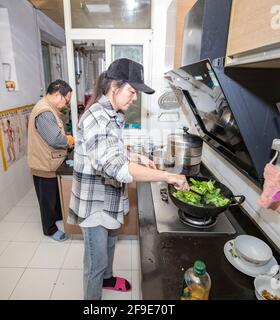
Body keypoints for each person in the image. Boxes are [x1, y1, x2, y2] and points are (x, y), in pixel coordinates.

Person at [68, 58, 189, 300]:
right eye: (132, 91)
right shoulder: (97, 118)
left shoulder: (112, 113)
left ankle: (108, 278)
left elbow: (112, 149)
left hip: (109, 197)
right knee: (95, 261)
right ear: (114, 87)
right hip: (94, 203)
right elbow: (116, 167)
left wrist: (135, 156)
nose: (135, 98)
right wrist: (168, 175)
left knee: (111, 243)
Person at [27, 80, 74, 242]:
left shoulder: (50, 108)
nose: (65, 104)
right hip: (43, 165)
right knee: (46, 200)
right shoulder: (45, 111)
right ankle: (50, 229)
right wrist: (68, 141)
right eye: (66, 100)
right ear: (57, 94)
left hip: (50, 163)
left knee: (53, 196)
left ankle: (56, 218)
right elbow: (54, 139)